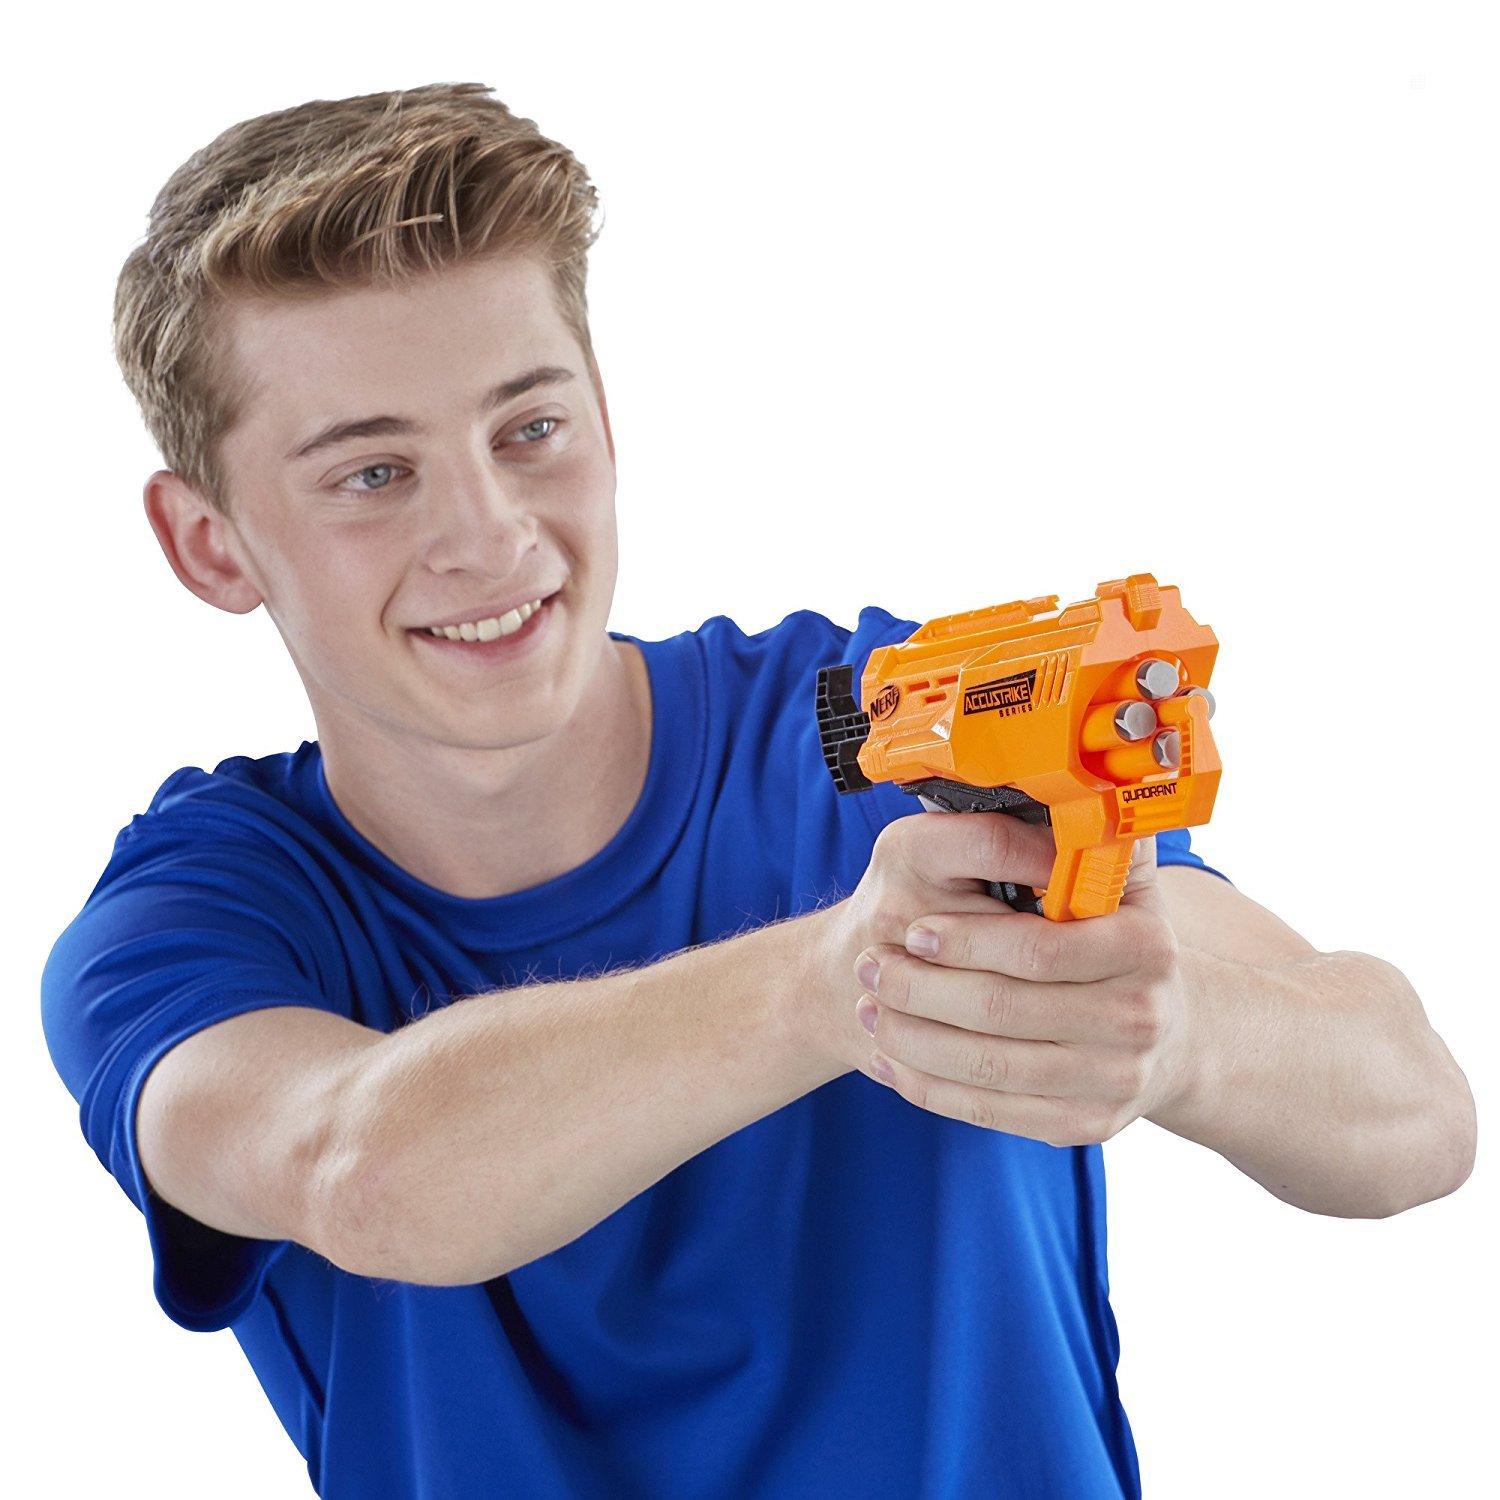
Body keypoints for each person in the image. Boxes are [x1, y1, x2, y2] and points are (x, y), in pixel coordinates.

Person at [40, 82, 1475, 1500]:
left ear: (604, 416)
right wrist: (842, 984)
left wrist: (1177, 1039)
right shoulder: (190, 921)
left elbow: (1418, 1116)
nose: (488, 532)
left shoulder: (890, 733)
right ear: (209, 542)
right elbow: (361, 1171)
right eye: (371, 474)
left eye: (529, 429)